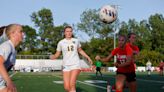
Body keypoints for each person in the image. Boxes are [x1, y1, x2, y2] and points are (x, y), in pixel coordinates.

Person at [50, 26, 93, 92]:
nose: (69, 33)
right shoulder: (61, 42)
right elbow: (57, 54)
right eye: (67, 31)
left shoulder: (76, 41)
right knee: (67, 87)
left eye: (70, 31)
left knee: (72, 85)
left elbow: (80, 50)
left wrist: (88, 57)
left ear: (72, 32)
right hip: (66, 66)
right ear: (64, 33)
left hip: (75, 64)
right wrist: (53, 57)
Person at [0, 24, 24, 92]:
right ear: (12, 33)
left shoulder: (12, 49)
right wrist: (9, 81)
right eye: (20, 31)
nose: (23, 33)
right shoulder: (7, 46)